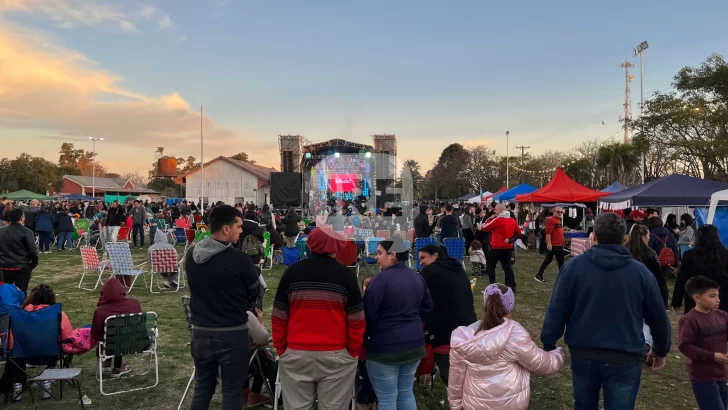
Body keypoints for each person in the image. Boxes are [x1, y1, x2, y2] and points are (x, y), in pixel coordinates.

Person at [541, 212, 672, 410]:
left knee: (585, 404)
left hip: (589, 352)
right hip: (622, 354)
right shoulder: (640, 273)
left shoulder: (574, 268)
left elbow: (557, 308)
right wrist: (661, 349)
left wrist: (549, 340)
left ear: (594, 236)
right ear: (624, 238)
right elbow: (659, 317)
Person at [272, 227, 365, 410]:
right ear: (335, 247)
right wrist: (353, 350)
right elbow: (356, 319)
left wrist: (282, 348)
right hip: (337, 355)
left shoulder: (292, 273)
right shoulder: (346, 275)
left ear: (309, 245)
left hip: (296, 353)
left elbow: (279, 315)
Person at [185, 205, 260, 410]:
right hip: (232, 333)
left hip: (201, 331)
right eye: (239, 226)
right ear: (226, 229)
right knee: (232, 392)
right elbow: (255, 290)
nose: (241, 231)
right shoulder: (238, 259)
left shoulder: (192, 255)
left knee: (203, 388)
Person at [449, 284, 565, 410]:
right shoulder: (514, 334)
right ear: (510, 309)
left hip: (474, 405)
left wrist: (456, 406)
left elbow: (456, 378)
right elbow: (541, 363)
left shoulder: (464, 339)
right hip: (511, 404)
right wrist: (559, 354)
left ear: (485, 305)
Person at [363, 237, 432, 410]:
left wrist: (369, 337)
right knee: (405, 392)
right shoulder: (417, 278)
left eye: (379, 253)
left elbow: (368, 315)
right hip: (414, 344)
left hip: (385, 348)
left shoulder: (380, 280)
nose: (377, 258)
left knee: (387, 398)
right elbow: (427, 308)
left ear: (392, 255)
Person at [418, 244, 476, 386]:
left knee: (453, 381)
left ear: (435, 255)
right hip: (469, 330)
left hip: (445, 334)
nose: (421, 262)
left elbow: (418, 300)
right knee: (468, 376)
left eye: (423, 257)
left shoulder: (429, 272)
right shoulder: (458, 268)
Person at [678, 276, 728, 410]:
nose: (718, 300)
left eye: (718, 295)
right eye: (712, 296)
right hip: (702, 376)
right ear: (697, 297)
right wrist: (712, 356)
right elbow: (685, 346)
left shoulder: (722, 316)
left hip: (721, 373)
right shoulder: (690, 320)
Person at [672, 224, 728, 315]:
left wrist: (676, 301)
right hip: (722, 300)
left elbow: (682, 280)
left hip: (696, 300)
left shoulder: (689, 255)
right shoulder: (725, 254)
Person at [91, 278, 142, 378]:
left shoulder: (101, 311)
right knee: (119, 335)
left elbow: (96, 335)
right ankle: (116, 366)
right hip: (135, 343)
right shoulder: (134, 303)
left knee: (111, 338)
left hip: (110, 346)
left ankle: (107, 362)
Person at [481, 203, 521, 291]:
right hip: (507, 247)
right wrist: (511, 240)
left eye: (495, 209)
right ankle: (509, 286)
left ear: (500, 210)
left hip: (496, 247)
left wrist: (489, 219)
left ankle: (492, 286)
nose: (494, 211)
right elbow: (519, 232)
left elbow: (484, 228)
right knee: (507, 267)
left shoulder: (498, 220)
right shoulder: (512, 220)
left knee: (491, 266)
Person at [0, 208, 38, 292]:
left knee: (5, 292)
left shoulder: (1, 231)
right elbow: (32, 250)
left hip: (4, 266)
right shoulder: (27, 232)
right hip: (21, 266)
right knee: (21, 291)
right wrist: (34, 261)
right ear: (22, 218)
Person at [356, 275, 377, 410]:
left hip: (376, 350)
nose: (368, 287)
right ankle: (362, 400)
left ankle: (370, 400)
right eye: (366, 284)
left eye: (371, 284)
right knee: (366, 378)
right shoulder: (358, 304)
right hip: (362, 351)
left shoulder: (379, 303)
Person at [648, 216, 679, 307]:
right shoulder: (670, 234)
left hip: (654, 263)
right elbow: (675, 250)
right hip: (668, 263)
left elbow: (649, 250)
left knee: (655, 283)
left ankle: (655, 303)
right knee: (663, 282)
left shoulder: (650, 235)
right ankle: (665, 304)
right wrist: (676, 264)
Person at [534, 206, 565, 283]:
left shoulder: (558, 220)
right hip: (554, 245)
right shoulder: (551, 220)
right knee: (552, 261)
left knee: (555, 261)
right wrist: (549, 243)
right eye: (558, 212)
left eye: (561, 212)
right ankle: (539, 274)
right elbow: (548, 233)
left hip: (558, 245)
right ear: (554, 212)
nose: (560, 213)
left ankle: (539, 274)